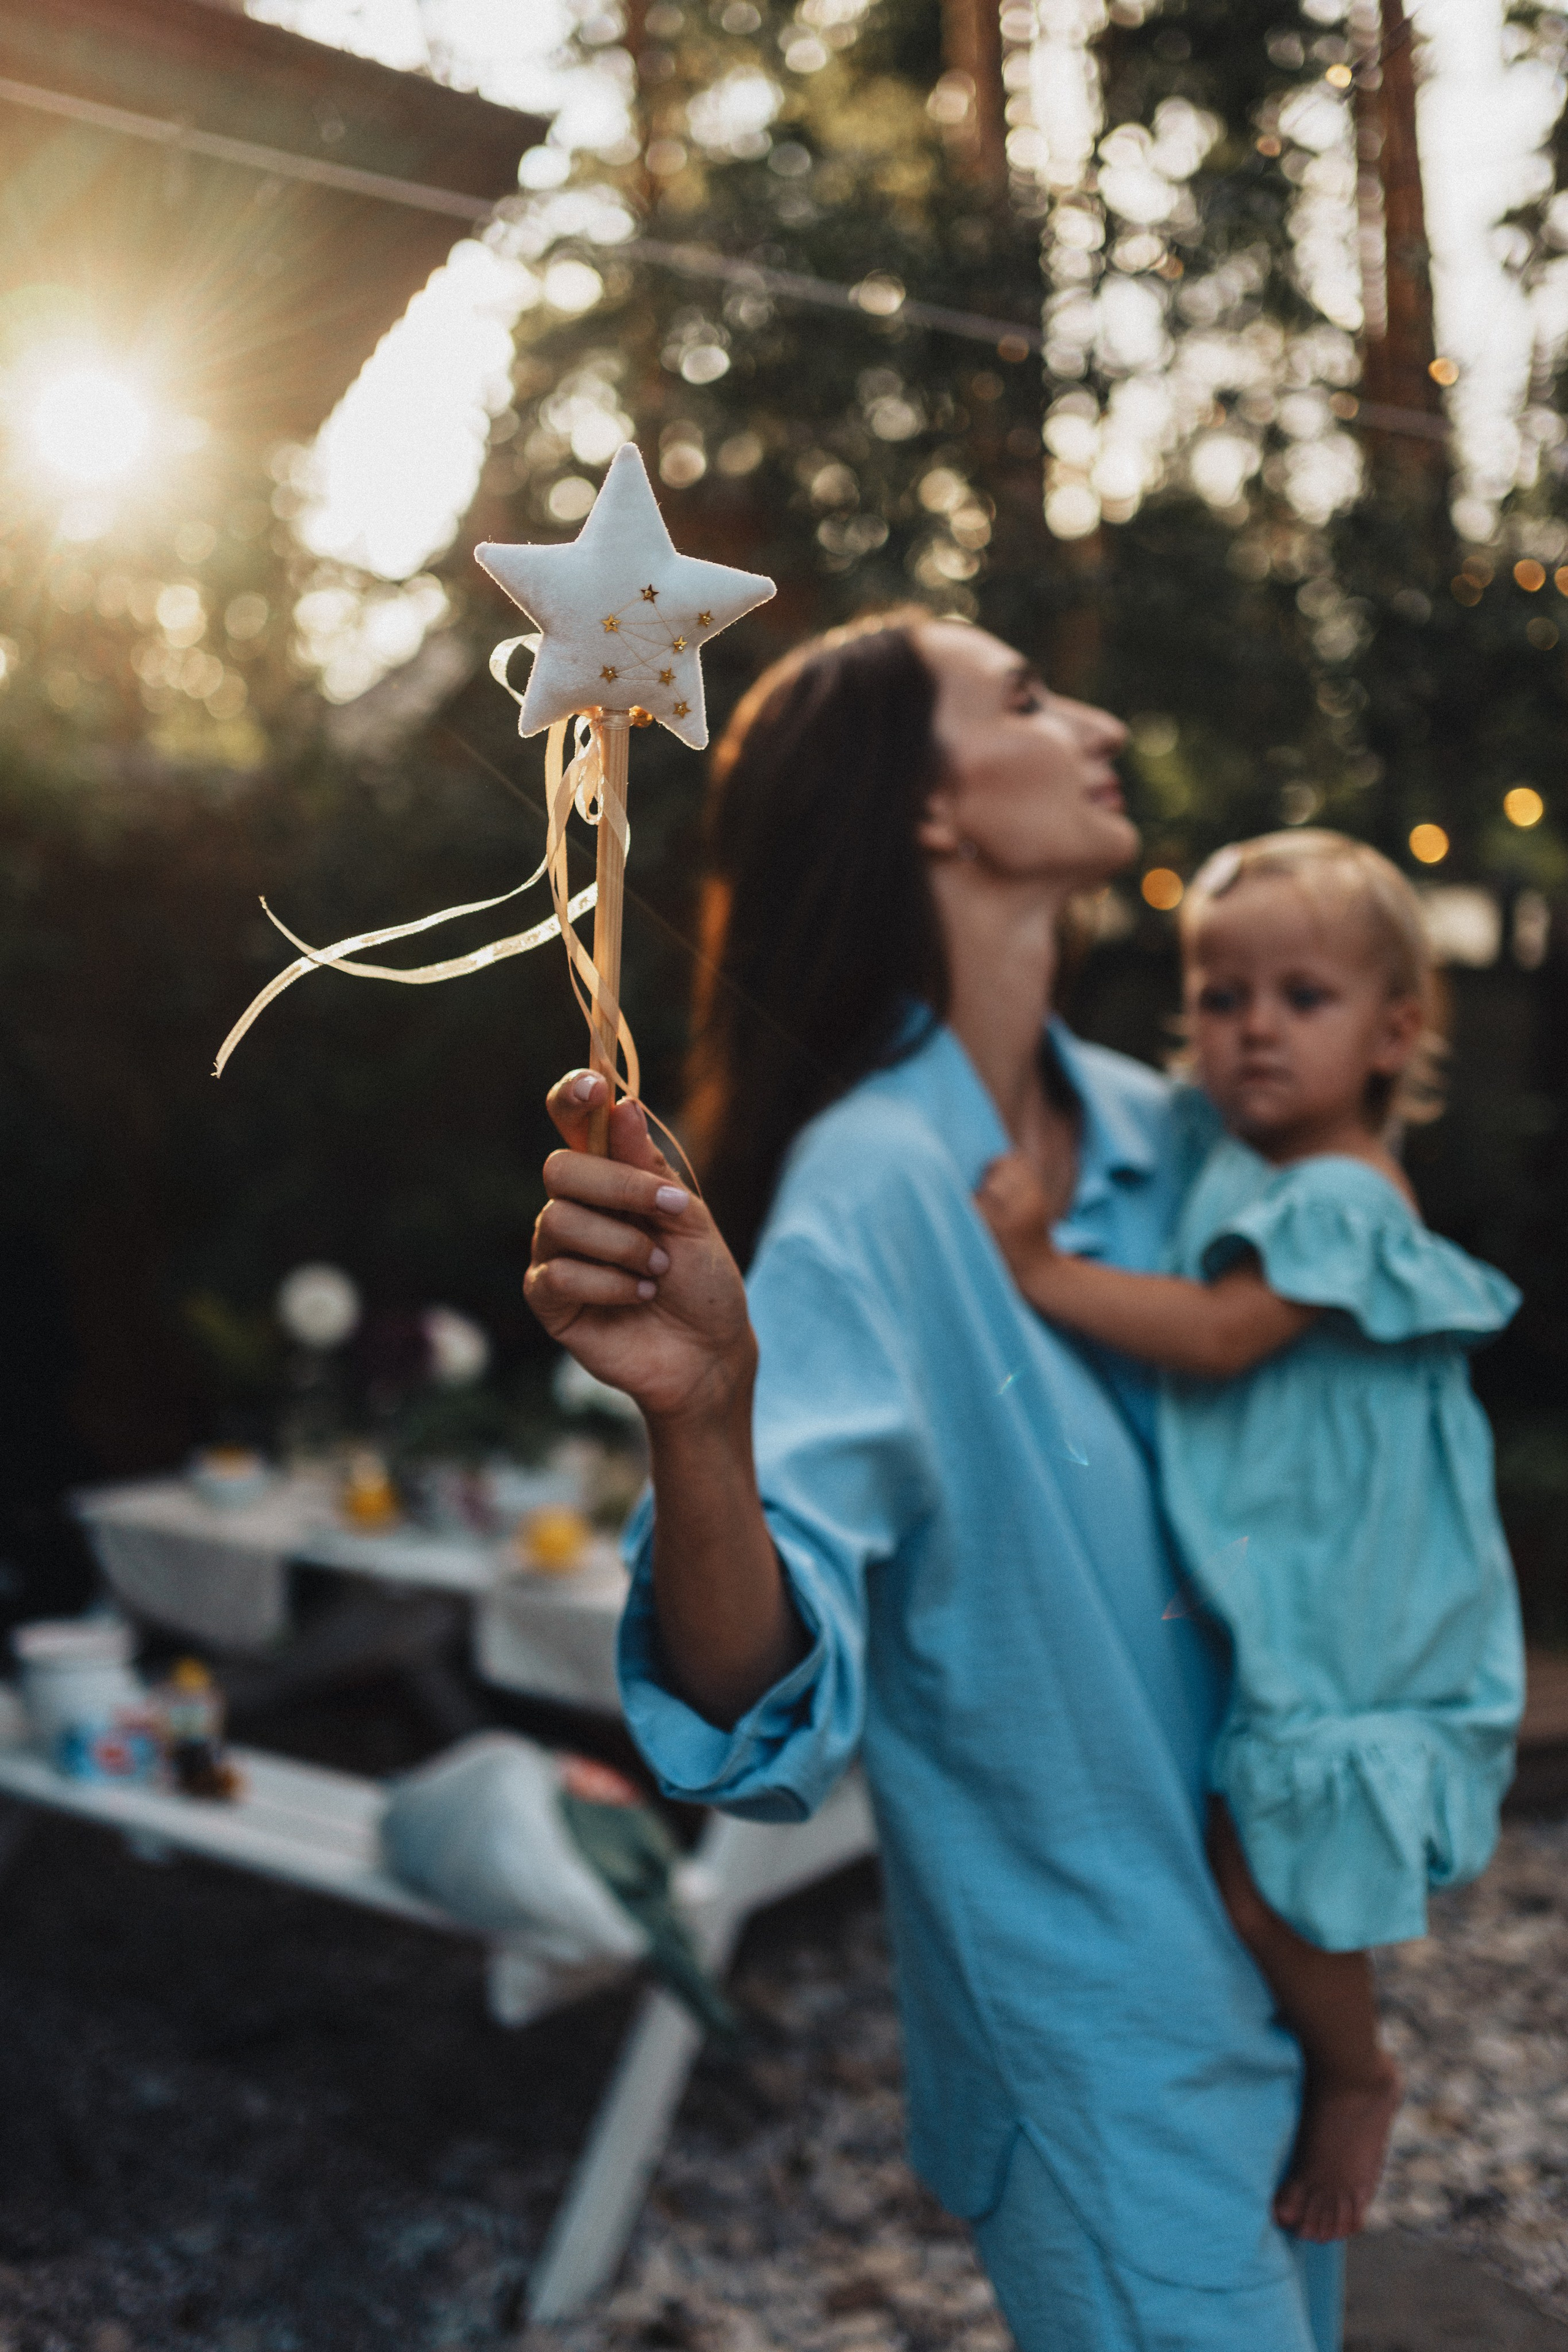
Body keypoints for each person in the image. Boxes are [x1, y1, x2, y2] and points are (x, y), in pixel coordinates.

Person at [525, 612, 1345, 2350]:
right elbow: (756, 1696)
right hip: (1091, 2045)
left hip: (1294, 1989)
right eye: (1035, 699)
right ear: (928, 810)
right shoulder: (868, 1197)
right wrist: (706, 1419)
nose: (1101, 719)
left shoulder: (1170, 1133)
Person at [978, 828, 1524, 2245]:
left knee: (1261, 1873)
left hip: (1358, 1589)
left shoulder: (1342, 1193)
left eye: (1299, 997)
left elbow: (1220, 1340)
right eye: (1219, 998)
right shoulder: (1234, 1151)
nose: (1250, 1030)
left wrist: (1038, 1267)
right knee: (1238, 1848)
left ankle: (1357, 2073)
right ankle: (1319, 2053)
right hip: (1293, 1564)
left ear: (1392, 1033)